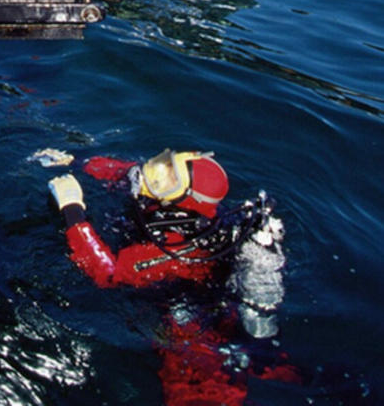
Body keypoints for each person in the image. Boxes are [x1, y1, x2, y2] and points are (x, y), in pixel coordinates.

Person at [44, 146, 297, 404]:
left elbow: (108, 274)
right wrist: (77, 161)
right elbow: (127, 173)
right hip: (193, 288)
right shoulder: (172, 201)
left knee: (198, 385)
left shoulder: (174, 250)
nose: (153, 175)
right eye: (164, 168)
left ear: (183, 199)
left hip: (193, 315)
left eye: (167, 179)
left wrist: (72, 210)